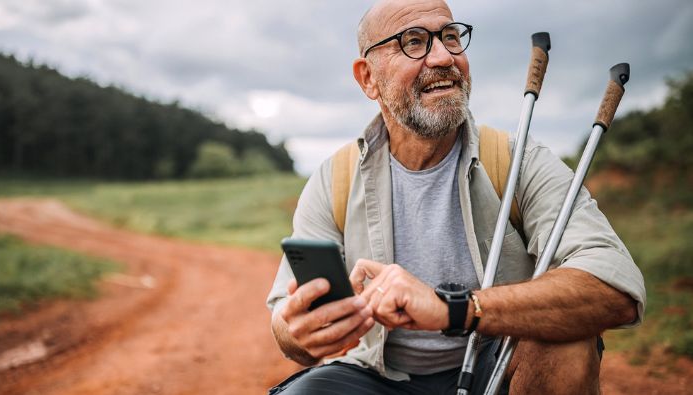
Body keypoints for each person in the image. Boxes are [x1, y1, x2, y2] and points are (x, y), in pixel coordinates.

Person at [266, 0, 646, 393]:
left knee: (564, 341)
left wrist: (457, 308)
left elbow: (614, 286)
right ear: (368, 78)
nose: (443, 56)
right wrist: (298, 330)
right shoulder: (336, 179)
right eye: (413, 41)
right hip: (378, 377)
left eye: (450, 37)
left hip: (497, 364)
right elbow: (285, 320)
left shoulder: (517, 161)